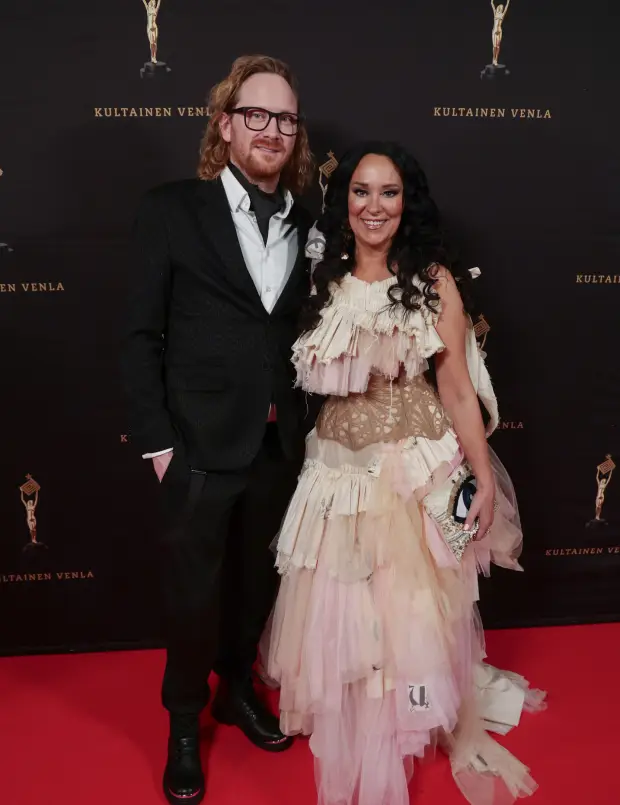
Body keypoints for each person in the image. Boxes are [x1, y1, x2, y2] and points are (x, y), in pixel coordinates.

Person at [264, 141, 546, 805]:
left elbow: (456, 389)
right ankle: (362, 712)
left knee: (415, 609)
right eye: (361, 191)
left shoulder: (433, 281)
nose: (374, 206)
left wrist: (482, 474)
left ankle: (415, 712)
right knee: (343, 603)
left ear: (406, 202)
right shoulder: (320, 278)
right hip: (336, 474)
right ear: (344, 201)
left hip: (414, 471)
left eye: (388, 192)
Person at [121, 55, 316, 805]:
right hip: (197, 446)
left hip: (278, 445)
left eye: (285, 119)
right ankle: (182, 723)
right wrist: (160, 444)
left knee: (257, 585)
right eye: (256, 115)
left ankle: (236, 690)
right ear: (226, 125)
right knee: (192, 595)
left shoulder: (310, 221)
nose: (272, 130)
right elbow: (140, 335)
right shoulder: (171, 210)